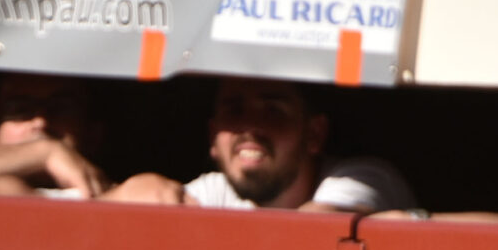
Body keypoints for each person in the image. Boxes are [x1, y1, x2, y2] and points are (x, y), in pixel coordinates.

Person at [109, 77, 416, 214]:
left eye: (273, 111)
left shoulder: (364, 178)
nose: (250, 128)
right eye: (234, 110)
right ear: (213, 137)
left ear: (314, 134)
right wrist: (139, 189)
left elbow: (316, 227)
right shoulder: (217, 191)